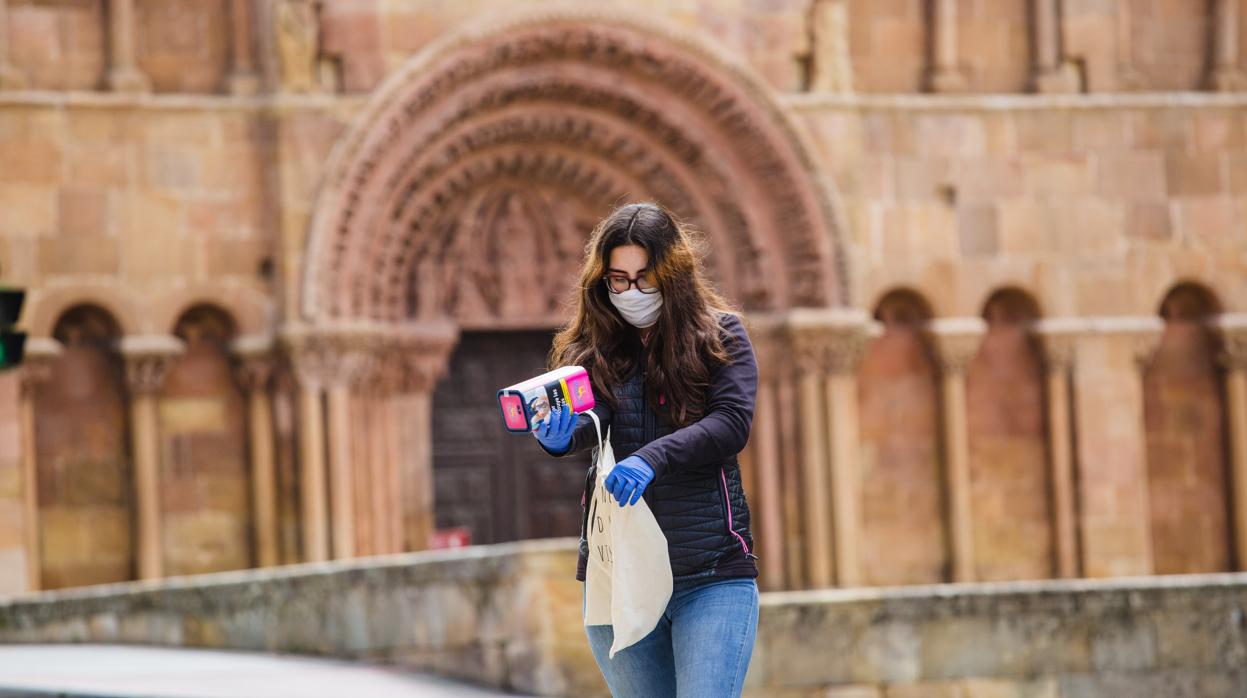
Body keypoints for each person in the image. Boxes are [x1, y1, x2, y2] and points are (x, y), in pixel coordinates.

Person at [531, 202, 760, 697]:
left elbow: (731, 423)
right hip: (620, 578)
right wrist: (560, 436)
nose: (631, 292)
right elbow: (595, 423)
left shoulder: (722, 336)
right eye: (618, 280)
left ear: (673, 275)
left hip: (709, 574)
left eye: (645, 278)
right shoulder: (592, 347)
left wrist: (652, 458)